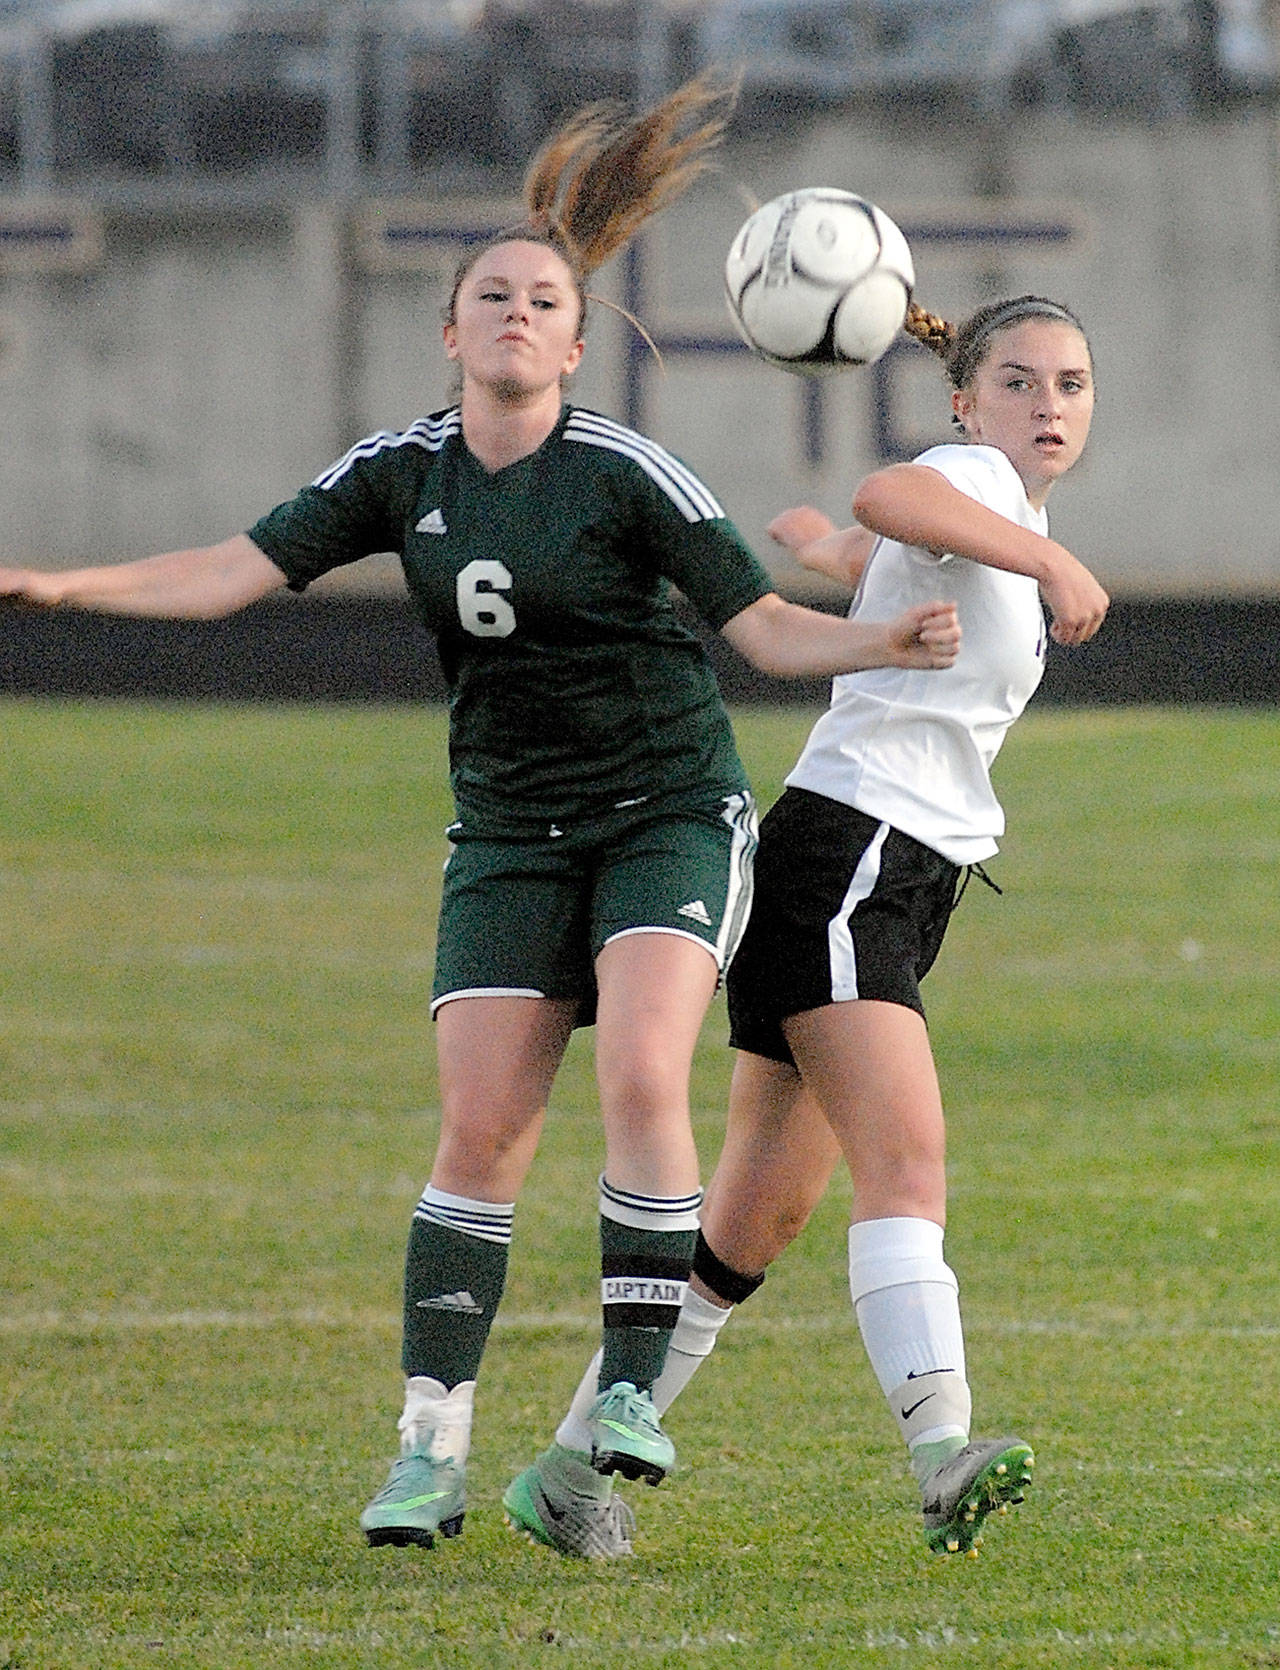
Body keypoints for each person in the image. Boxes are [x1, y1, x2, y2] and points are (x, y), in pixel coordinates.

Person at [0, 77, 960, 1557]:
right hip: (508, 828)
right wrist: (67, 585)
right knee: (480, 1128)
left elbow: (764, 631)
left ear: (578, 344)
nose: (516, 312)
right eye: (491, 296)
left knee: (645, 1068)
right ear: (449, 333)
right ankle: (426, 1452)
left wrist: (879, 641)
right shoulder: (401, 473)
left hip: (664, 810)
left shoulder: (625, 471)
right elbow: (231, 569)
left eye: (542, 300)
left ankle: (629, 1401)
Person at [513, 292, 1109, 1560]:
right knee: (908, 1157)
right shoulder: (965, 476)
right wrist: (1039, 558)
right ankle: (942, 1447)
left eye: (1067, 384)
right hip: (851, 855)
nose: (1044, 407)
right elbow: (896, 497)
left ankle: (569, 1472)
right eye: (1015, 382)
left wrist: (830, 555)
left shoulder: (1003, 510)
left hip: (889, 870)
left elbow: (888, 549)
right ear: (963, 399)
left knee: (757, 1217)